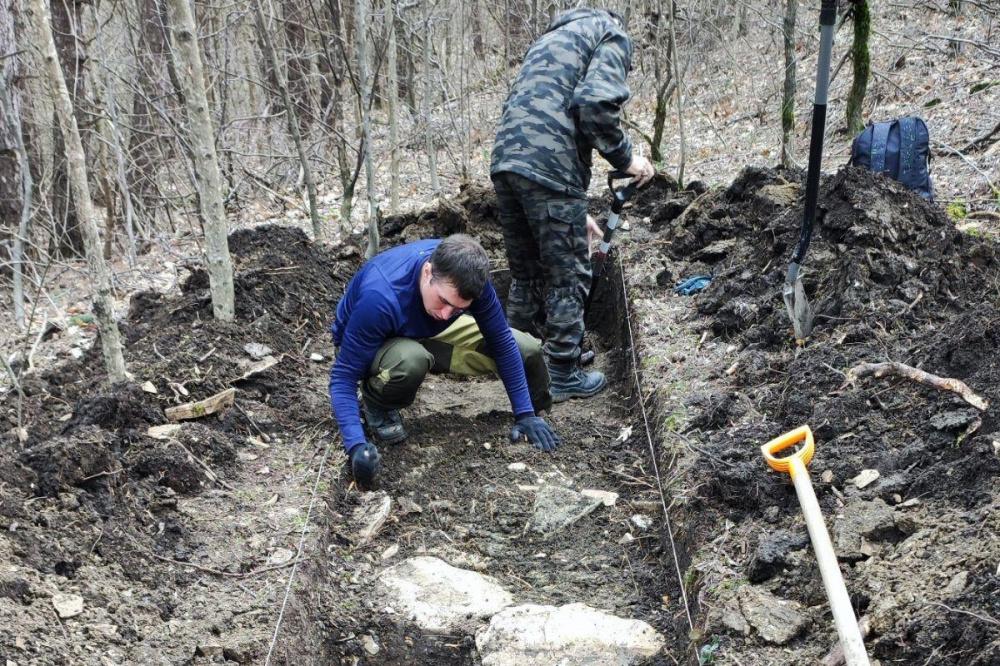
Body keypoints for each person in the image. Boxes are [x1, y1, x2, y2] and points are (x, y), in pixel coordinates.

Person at [491, 8, 654, 403]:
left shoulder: (550, 40)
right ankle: (561, 372)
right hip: (551, 164)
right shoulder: (611, 34)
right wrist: (626, 159)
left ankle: (515, 368)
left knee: (527, 273)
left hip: (506, 160)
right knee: (569, 273)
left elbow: (541, 113)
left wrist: (572, 208)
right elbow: (595, 106)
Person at [328, 234, 560, 488]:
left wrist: (524, 414)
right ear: (428, 272)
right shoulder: (380, 297)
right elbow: (343, 376)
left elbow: (502, 342)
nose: (447, 314)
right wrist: (356, 446)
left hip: (424, 329)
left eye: (459, 309)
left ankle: (538, 410)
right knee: (409, 360)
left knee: (526, 348)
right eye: (445, 302)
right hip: (373, 339)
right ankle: (379, 403)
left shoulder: (467, 276)